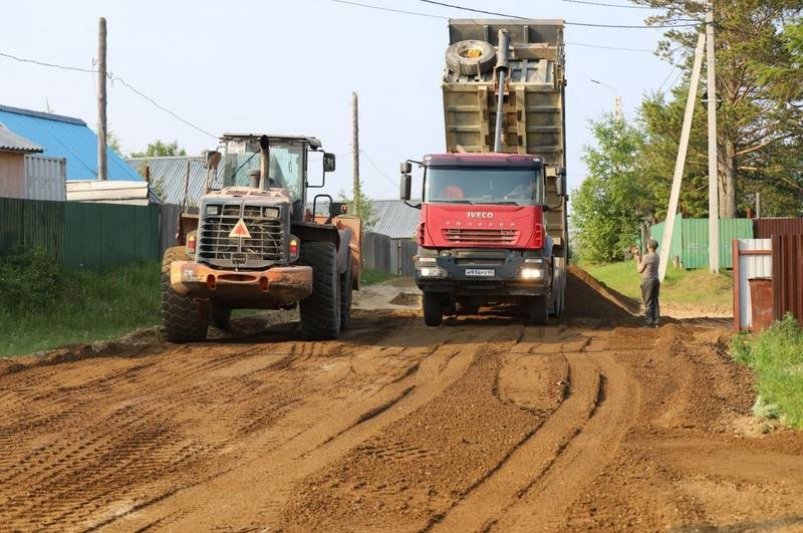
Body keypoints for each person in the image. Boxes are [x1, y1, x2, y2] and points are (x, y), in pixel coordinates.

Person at [632, 239, 660, 328]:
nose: (646, 245)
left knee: (648, 302)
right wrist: (639, 256)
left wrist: (637, 259)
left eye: (647, 244)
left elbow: (639, 270)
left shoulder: (647, 257)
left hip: (648, 281)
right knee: (655, 301)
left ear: (649, 246)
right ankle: (656, 322)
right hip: (656, 280)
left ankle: (648, 323)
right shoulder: (656, 256)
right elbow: (646, 262)